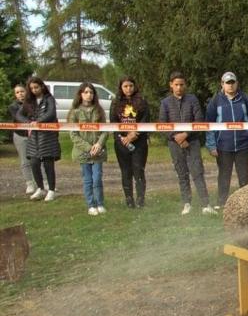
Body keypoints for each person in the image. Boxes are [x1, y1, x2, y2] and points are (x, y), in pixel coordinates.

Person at [159, 71, 216, 215]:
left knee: (197, 172)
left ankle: (205, 204)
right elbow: (162, 124)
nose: (179, 87)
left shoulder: (192, 99)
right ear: (171, 85)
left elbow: (199, 120)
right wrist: (176, 138)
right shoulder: (165, 103)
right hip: (174, 144)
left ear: (185, 85)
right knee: (182, 174)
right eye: (176, 85)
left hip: (193, 142)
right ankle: (187, 203)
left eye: (181, 84)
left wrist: (185, 135)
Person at [205, 72, 248, 207]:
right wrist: (212, 146)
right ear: (222, 84)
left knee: (244, 176)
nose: (230, 85)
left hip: (243, 145)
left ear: (237, 83)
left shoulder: (245, 99)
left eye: (232, 82)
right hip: (223, 146)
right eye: (227, 83)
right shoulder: (216, 101)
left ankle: (245, 203)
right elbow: (209, 124)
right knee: (224, 176)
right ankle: (222, 202)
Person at [15, 77, 59, 201]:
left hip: (48, 136)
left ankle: (51, 190)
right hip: (34, 138)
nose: (34, 90)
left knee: (48, 163)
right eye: (32, 88)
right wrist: (28, 122)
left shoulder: (49, 99)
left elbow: (51, 113)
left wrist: (38, 122)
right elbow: (19, 114)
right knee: (34, 162)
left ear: (42, 86)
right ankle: (40, 188)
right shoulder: (29, 101)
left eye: (36, 87)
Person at [67, 83, 109, 215]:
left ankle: (100, 203)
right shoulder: (74, 112)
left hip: (98, 152)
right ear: (80, 94)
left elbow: (105, 130)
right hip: (83, 153)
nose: (88, 95)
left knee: (97, 178)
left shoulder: (99, 110)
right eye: (85, 92)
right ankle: (91, 205)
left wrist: (99, 144)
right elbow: (73, 134)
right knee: (88, 180)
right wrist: (88, 147)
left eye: (91, 92)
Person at [110, 76, 150, 208]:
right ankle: (129, 199)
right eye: (125, 86)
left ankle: (140, 200)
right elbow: (113, 123)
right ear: (121, 88)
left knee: (138, 170)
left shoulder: (142, 101)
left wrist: (134, 134)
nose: (128, 89)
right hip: (122, 143)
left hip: (139, 142)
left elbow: (145, 121)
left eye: (131, 86)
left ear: (135, 86)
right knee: (126, 171)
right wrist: (123, 138)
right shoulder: (115, 103)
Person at [8, 84, 35, 194]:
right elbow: (18, 118)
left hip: (34, 135)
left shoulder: (33, 104)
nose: (20, 94)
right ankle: (29, 184)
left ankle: (44, 183)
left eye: (22, 91)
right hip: (20, 135)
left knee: (39, 159)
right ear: (15, 95)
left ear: (26, 91)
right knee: (25, 161)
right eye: (17, 92)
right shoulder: (13, 106)